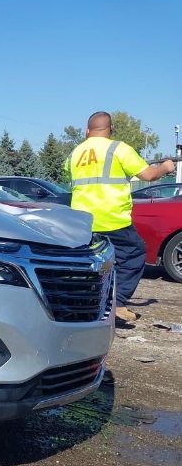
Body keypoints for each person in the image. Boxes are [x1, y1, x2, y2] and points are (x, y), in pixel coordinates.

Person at [66, 111, 176, 324]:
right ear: (111, 129)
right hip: (112, 217)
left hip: (82, 220)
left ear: (87, 131)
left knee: (91, 261)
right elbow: (149, 175)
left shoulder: (75, 153)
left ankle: (85, 302)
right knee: (134, 253)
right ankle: (119, 302)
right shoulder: (118, 149)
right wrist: (166, 167)